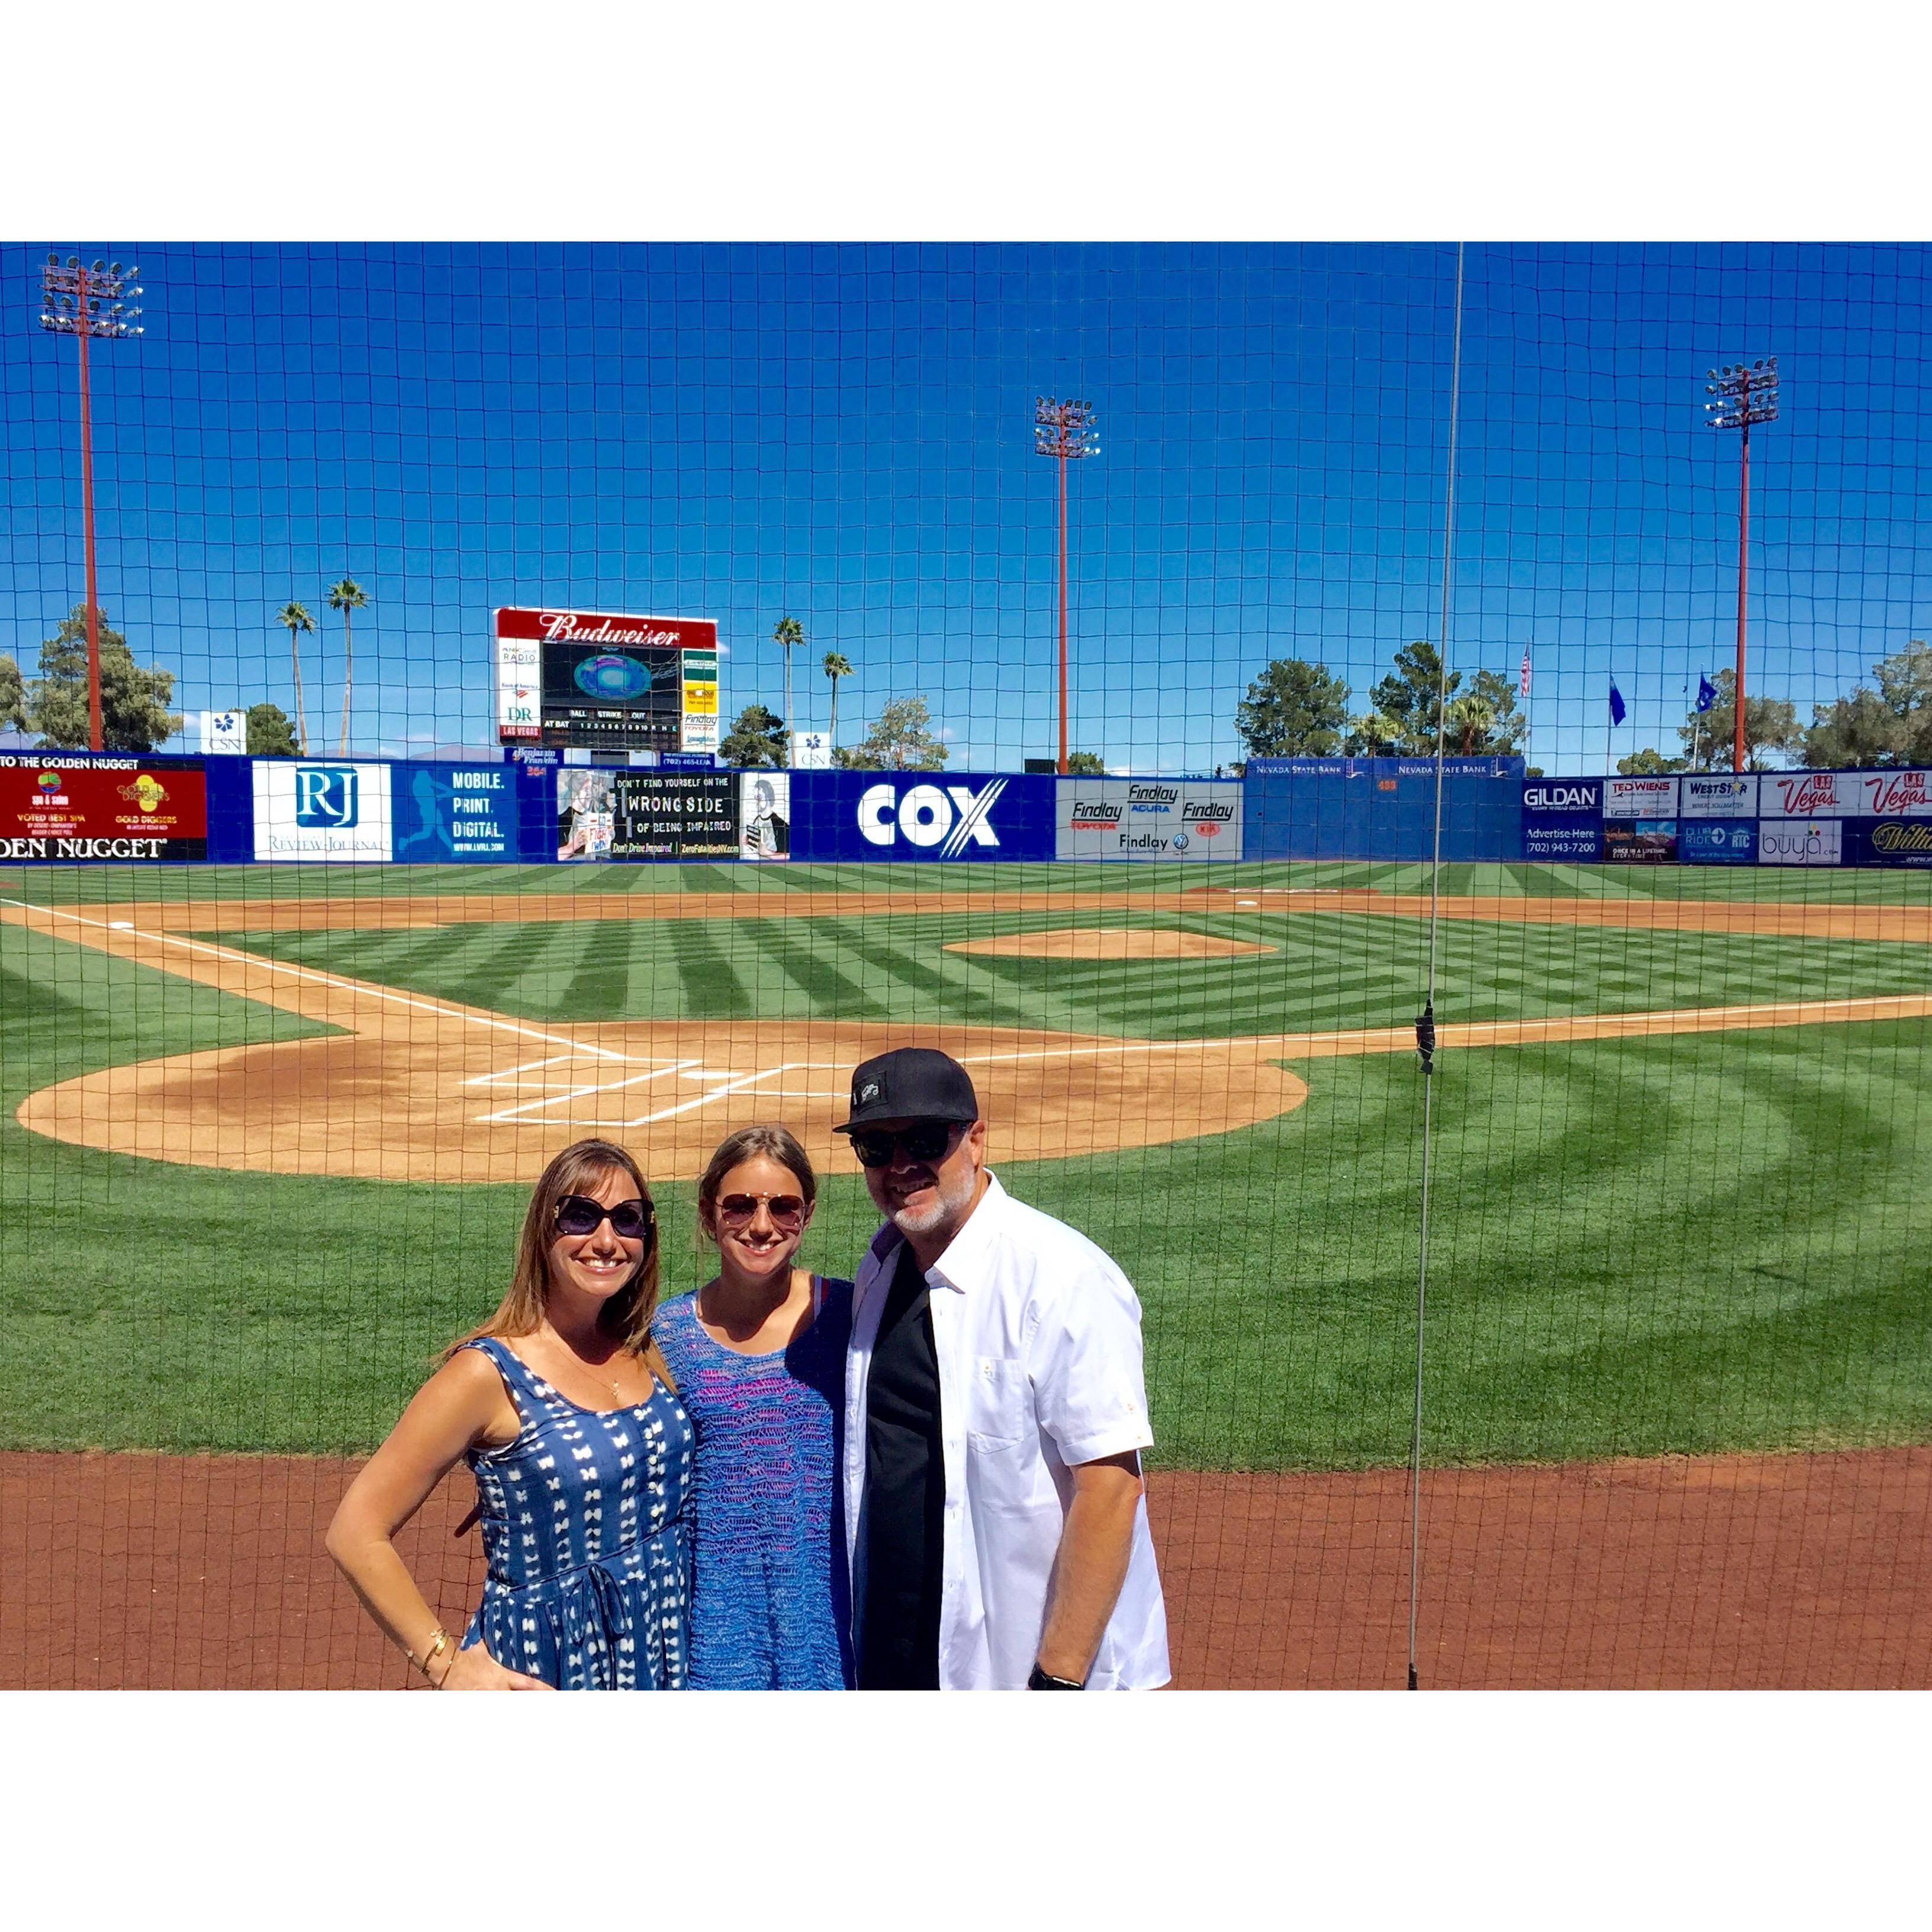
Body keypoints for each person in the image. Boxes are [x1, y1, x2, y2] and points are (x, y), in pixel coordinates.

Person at [835, 1046, 1170, 1690]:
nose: (901, 1166)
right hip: (903, 1654)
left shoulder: (1061, 1277)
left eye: (925, 1139)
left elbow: (1111, 1487)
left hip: (1030, 1669)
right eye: (876, 1147)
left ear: (976, 1139)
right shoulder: (880, 1270)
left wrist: (1059, 1679)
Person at [326, 1138, 694, 1689]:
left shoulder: (643, 1344)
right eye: (581, 1215)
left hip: (662, 1642)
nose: (606, 1239)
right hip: (549, 1662)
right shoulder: (486, 1373)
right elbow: (355, 1531)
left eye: (628, 1219)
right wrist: (447, 1665)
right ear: (544, 1231)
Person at [653, 1125, 854, 1689]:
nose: (761, 1226)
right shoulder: (667, 1336)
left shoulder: (850, 1315)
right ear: (708, 1212)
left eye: (783, 1207)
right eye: (739, 1205)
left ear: (807, 1214)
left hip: (832, 1624)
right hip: (714, 1629)